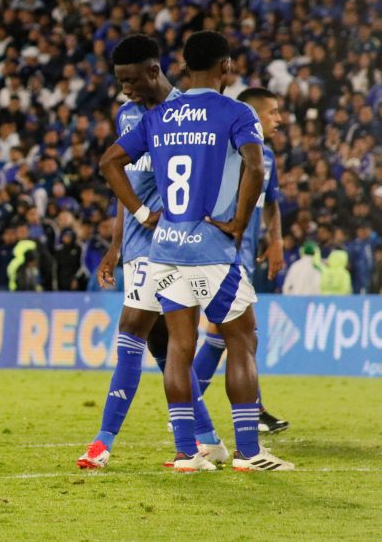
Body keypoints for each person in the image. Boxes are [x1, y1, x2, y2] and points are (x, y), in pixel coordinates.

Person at [101, 30, 294, 471]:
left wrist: (143, 214)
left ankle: (186, 453)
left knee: (179, 349)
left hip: (165, 249)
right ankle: (249, 452)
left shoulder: (159, 116)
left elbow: (109, 162)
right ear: (225, 67)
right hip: (212, 249)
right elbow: (255, 163)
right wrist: (239, 223)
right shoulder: (236, 111)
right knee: (242, 341)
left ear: (184, 67)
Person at [79, 35, 228, 470]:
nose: (125, 90)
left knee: (131, 331)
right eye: (119, 82)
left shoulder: (187, 111)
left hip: (171, 243)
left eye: (130, 81)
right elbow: (125, 188)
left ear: (153, 71)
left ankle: (102, 443)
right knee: (163, 346)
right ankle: (207, 440)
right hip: (139, 242)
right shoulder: (128, 116)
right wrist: (114, 246)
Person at [192, 88, 289, 434]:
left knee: (235, 334)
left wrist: (275, 240)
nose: (279, 119)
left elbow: (272, 202)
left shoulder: (266, 157)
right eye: (273, 112)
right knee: (236, 334)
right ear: (252, 114)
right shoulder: (225, 150)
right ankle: (190, 409)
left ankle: (194, 409)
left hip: (243, 256)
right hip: (218, 253)